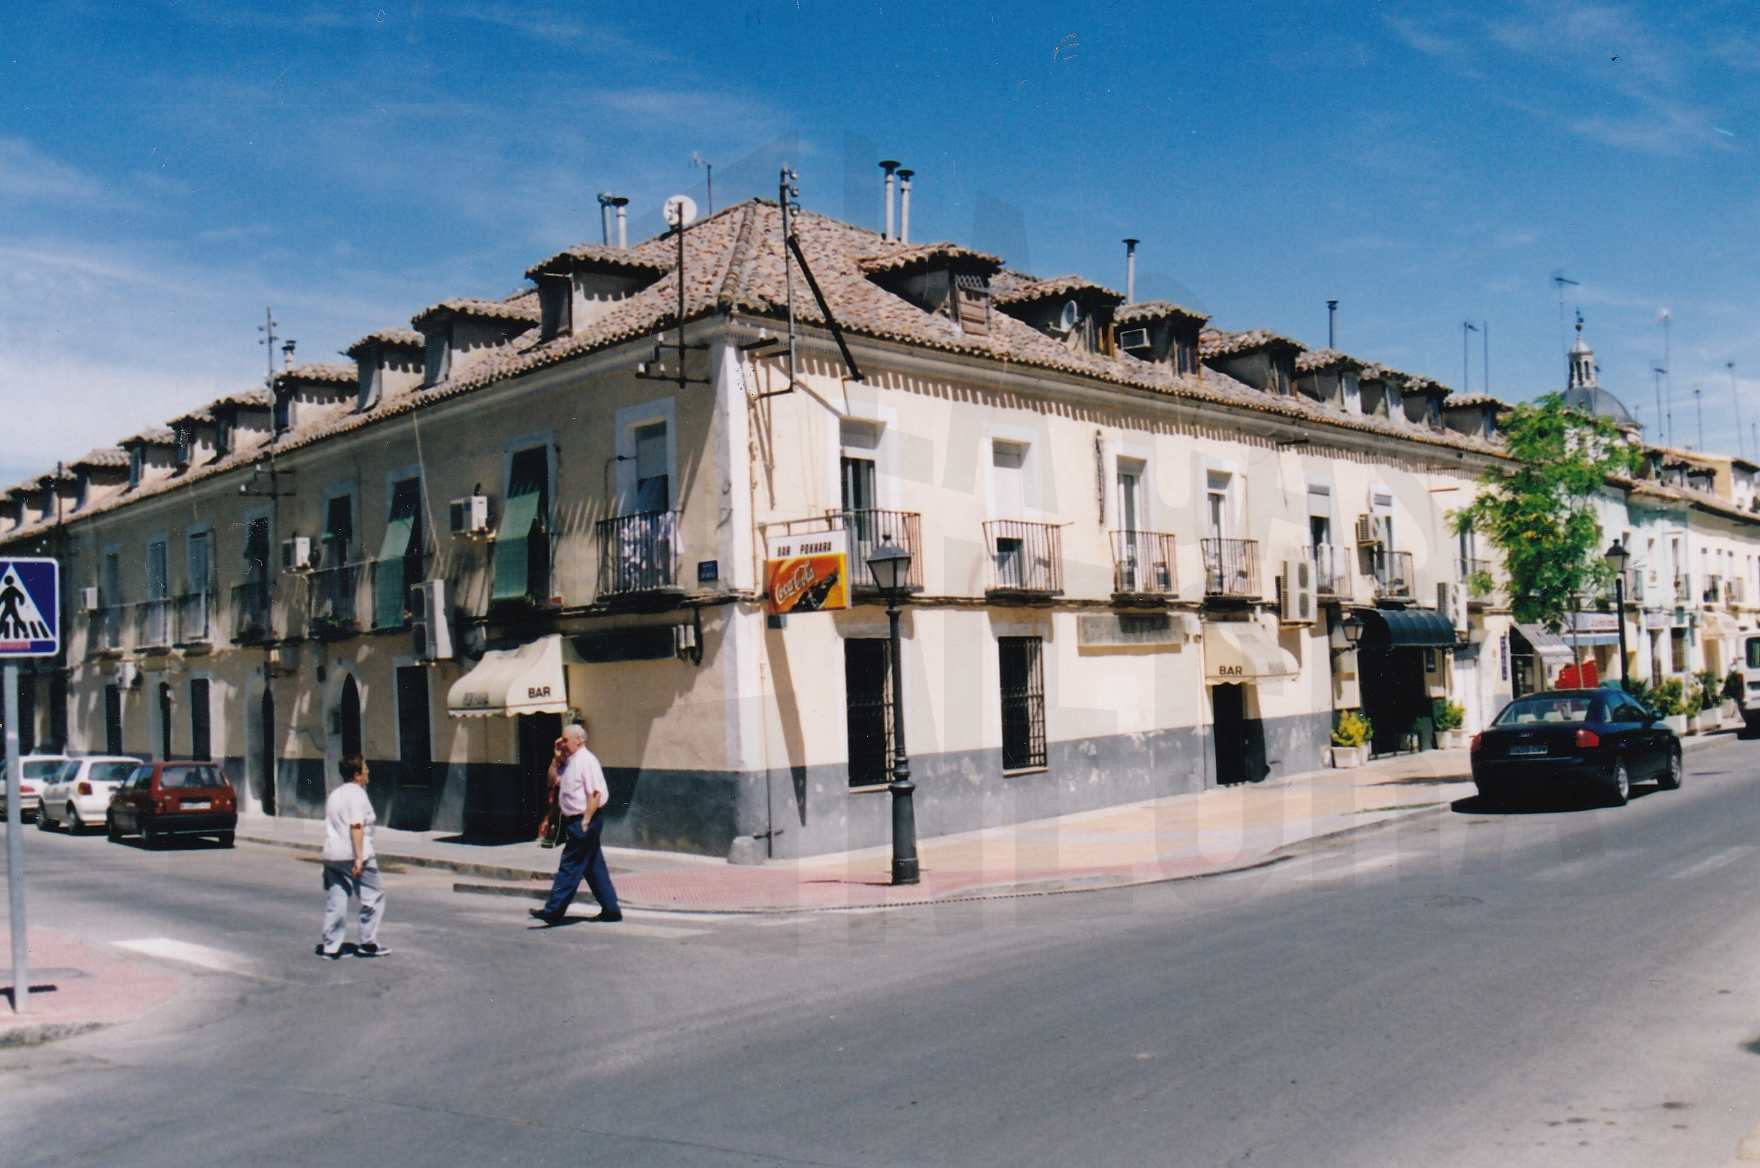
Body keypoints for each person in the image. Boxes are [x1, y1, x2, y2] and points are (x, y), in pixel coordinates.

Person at [529, 722, 621, 925]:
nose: (562, 742)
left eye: (565, 739)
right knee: (594, 867)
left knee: (570, 865)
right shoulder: (569, 761)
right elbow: (553, 783)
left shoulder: (587, 761)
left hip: (585, 819)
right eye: (560, 740)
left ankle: (553, 910)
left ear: (579, 740)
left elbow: (595, 794)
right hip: (576, 819)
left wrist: (586, 820)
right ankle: (611, 910)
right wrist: (556, 755)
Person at [316, 754, 389, 958]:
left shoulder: (335, 794)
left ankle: (331, 947)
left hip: (332, 853)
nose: (368, 772)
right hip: (357, 853)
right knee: (373, 895)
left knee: (337, 899)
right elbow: (356, 826)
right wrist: (358, 858)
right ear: (357, 775)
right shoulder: (357, 794)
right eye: (365, 769)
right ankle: (368, 943)